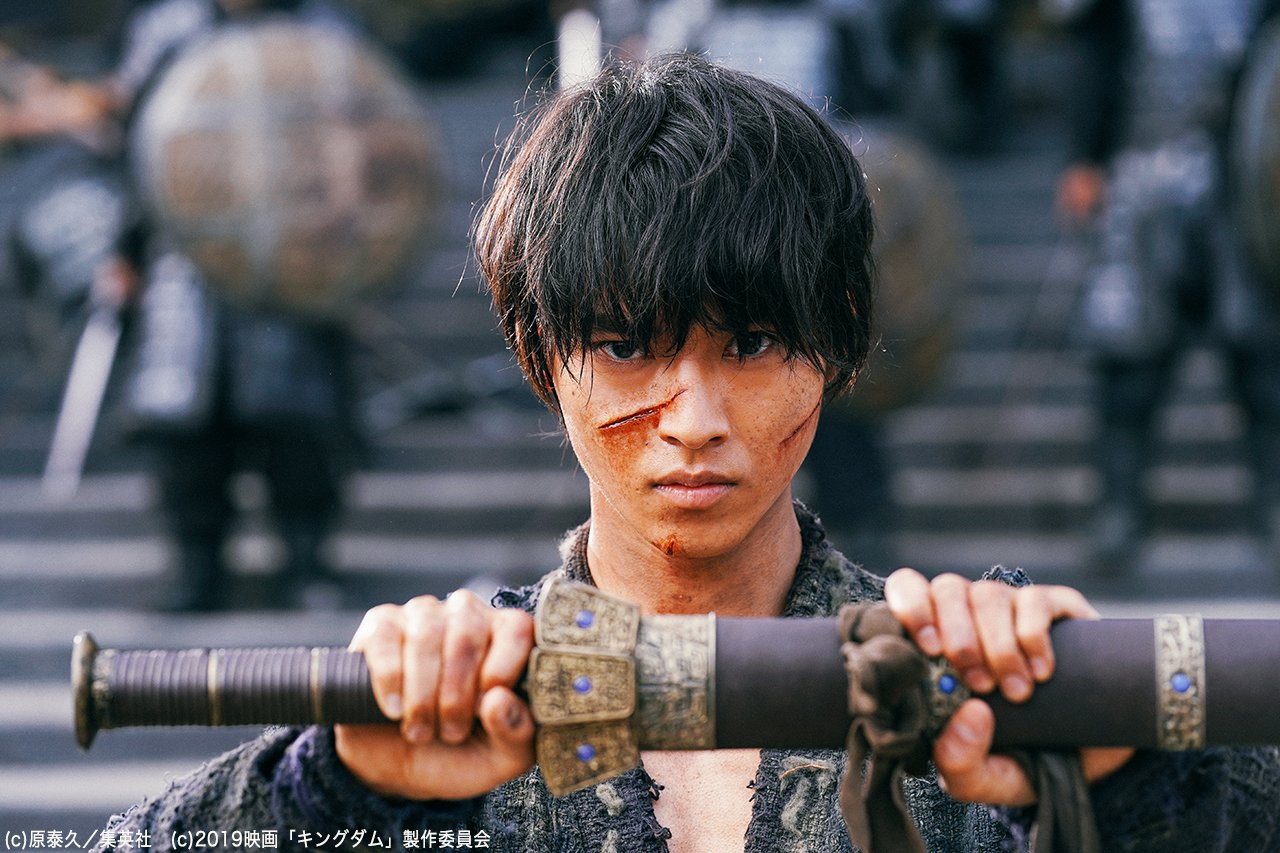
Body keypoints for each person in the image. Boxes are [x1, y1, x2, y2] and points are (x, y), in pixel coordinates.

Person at [95, 53, 1280, 850]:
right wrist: (332, 790)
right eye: (625, 347)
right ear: (539, 350)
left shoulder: (979, 684)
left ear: (834, 346)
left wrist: (1126, 776)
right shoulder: (441, 716)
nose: (694, 416)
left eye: (751, 343)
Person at [2, 0, 365, 611]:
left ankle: (307, 566)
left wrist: (352, 253)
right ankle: (197, 569)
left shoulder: (324, 28)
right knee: (184, 432)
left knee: (297, 424)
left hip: (295, 258)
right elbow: (139, 145)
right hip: (184, 257)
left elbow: (361, 142)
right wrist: (127, 249)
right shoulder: (170, 30)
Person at [1055, 0, 1280, 573]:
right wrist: (1085, 155)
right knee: (1129, 363)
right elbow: (1095, 54)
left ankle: (1275, 507)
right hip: (1140, 179)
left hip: (1242, 185)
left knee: (1263, 361)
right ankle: (1119, 511)